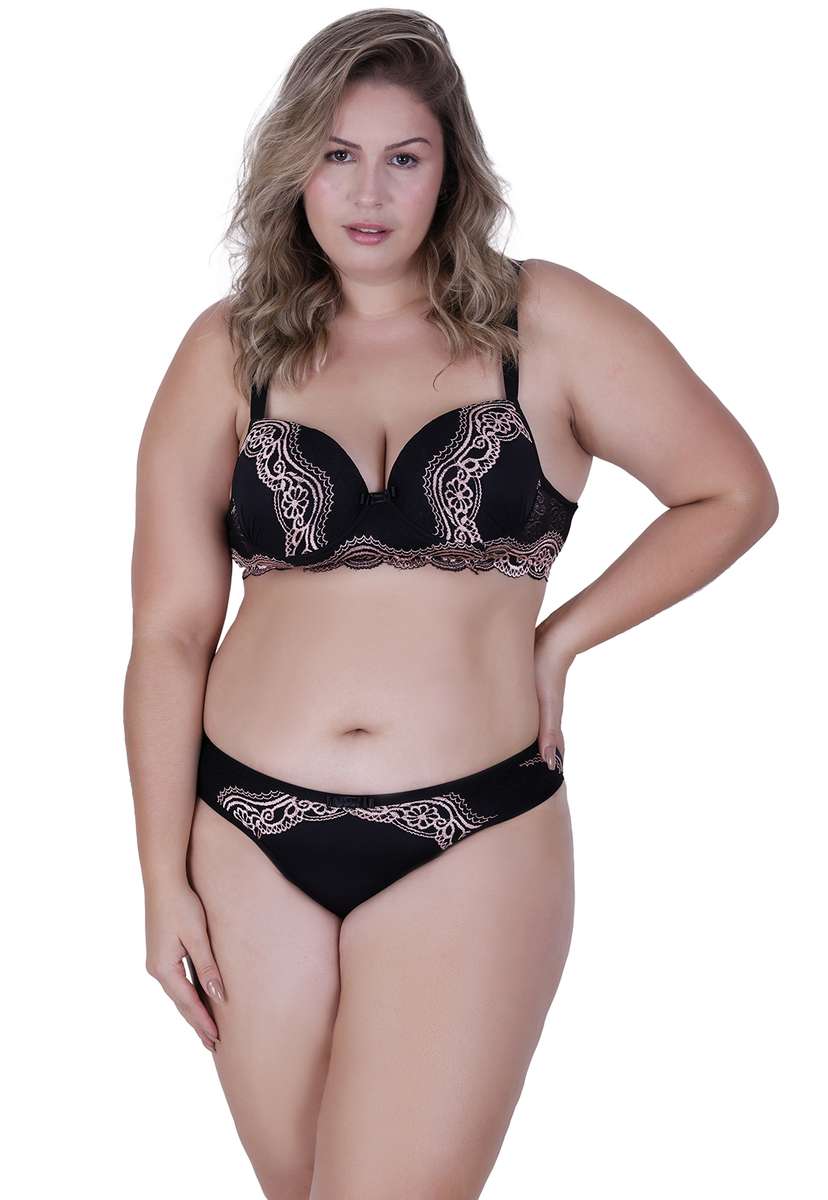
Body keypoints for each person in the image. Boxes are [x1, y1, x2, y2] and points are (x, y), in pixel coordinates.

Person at [123, 10, 779, 1199]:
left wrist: (561, 641)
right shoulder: (228, 352)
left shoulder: (547, 324)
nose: (368, 190)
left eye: (404, 157)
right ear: (294, 164)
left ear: (451, 170)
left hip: (473, 832)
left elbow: (731, 492)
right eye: (338, 154)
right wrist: (160, 878)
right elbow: (169, 633)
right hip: (244, 836)